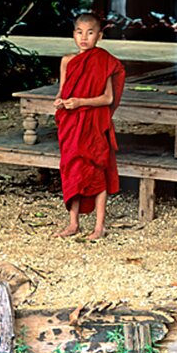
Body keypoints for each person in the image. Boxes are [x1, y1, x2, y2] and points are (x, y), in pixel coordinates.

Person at [53, 13, 125, 240]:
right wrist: (59, 101)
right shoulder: (67, 61)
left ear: (100, 36)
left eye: (90, 32)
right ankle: (73, 223)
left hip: (93, 124)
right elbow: (62, 91)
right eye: (79, 32)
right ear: (73, 34)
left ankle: (99, 226)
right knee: (71, 169)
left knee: (97, 171)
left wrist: (80, 102)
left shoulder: (103, 61)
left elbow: (107, 98)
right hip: (71, 125)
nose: (84, 37)